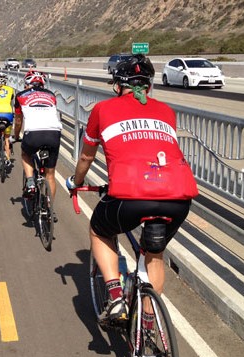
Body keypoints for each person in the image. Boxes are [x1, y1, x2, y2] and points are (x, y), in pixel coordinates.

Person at [65, 54, 198, 322]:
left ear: (117, 86)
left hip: (130, 195)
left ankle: (115, 298)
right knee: (154, 253)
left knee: (100, 229)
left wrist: (76, 183)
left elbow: (86, 157)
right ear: (148, 86)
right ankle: (149, 324)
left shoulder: (103, 110)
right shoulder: (167, 112)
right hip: (179, 196)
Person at [11, 70, 62, 222]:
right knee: (50, 174)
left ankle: (31, 182)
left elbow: (18, 120)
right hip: (54, 134)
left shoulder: (20, 96)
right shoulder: (52, 95)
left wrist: (16, 136)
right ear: (43, 84)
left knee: (26, 154)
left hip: (33, 134)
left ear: (27, 84)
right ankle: (49, 207)